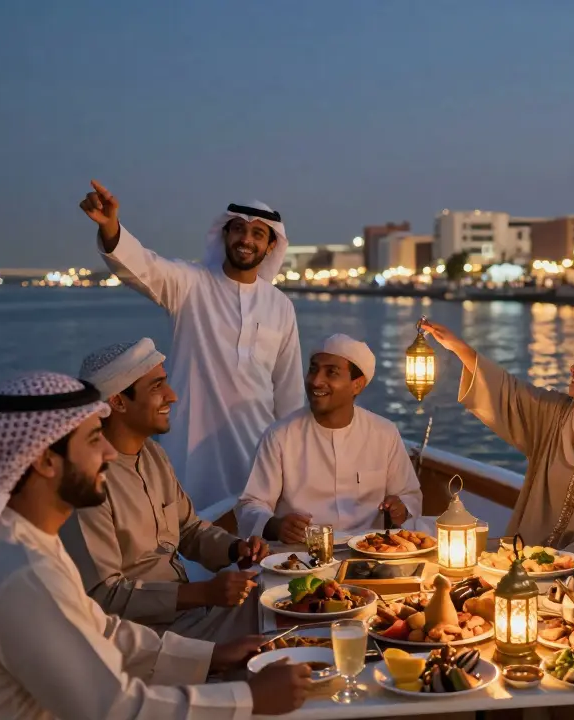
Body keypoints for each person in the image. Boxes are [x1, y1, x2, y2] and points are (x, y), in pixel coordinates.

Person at [0, 371, 310, 719]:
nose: (110, 454)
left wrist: (212, 656)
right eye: (94, 440)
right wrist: (247, 699)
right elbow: (112, 708)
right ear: (43, 460)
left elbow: (100, 629)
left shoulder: (19, 538)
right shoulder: (11, 569)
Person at [79, 181, 305, 516]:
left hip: (256, 450)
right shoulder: (190, 285)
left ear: (271, 246)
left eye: (258, 234)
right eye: (239, 229)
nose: (246, 240)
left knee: (252, 539)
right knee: (189, 536)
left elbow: (288, 394)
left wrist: (295, 462)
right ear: (225, 234)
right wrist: (111, 226)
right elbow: (142, 266)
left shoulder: (280, 306)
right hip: (192, 448)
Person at [421, 320, 574, 591]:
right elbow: (510, 393)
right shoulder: (560, 416)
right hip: (538, 557)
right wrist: (458, 347)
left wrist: (555, 560)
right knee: (475, 564)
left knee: (556, 577)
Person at [61, 339, 270, 642]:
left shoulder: (153, 455)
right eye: (157, 386)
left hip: (191, 614)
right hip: (145, 637)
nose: (171, 396)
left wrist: (235, 549)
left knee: (285, 601)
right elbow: (103, 595)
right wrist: (201, 593)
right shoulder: (87, 482)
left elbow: (188, 529)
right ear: (118, 401)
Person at [236, 334, 423, 542]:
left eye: (331, 373)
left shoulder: (384, 433)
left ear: (357, 385)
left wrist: (401, 509)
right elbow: (250, 504)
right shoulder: (281, 435)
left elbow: (410, 496)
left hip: (369, 552)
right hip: (299, 556)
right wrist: (275, 526)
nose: (316, 381)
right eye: (313, 369)